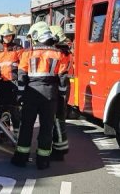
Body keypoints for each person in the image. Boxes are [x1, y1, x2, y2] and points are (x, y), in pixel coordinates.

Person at [11, 22, 68, 169]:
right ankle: (43, 161)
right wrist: (61, 97)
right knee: (46, 128)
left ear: (37, 36)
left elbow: (22, 76)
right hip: (50, 95)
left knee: (26, 126)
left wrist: (20, 95)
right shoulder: (59, 54)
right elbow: (63, 79)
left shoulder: (27, 53)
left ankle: (21, 158)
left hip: (31, 93)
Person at [0, 23, 23, 144]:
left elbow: (23, 67)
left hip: (15, 85)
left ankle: (17, 138)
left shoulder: (18, 49)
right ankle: (4, 135)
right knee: (2, 111)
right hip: (1, 85)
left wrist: (23, 84)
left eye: (9, 36)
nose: (7, 38)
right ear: (1, 36)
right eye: (5, 36)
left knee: (16, 112)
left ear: (13, 36)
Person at [49, 25, 72, 161]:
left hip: (59, 88)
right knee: (59, 119)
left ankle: (59, 150)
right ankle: (59, 147)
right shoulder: (64, 50)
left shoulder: (60, 53)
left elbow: (60, 74)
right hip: (62, 88)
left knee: (57, 119)